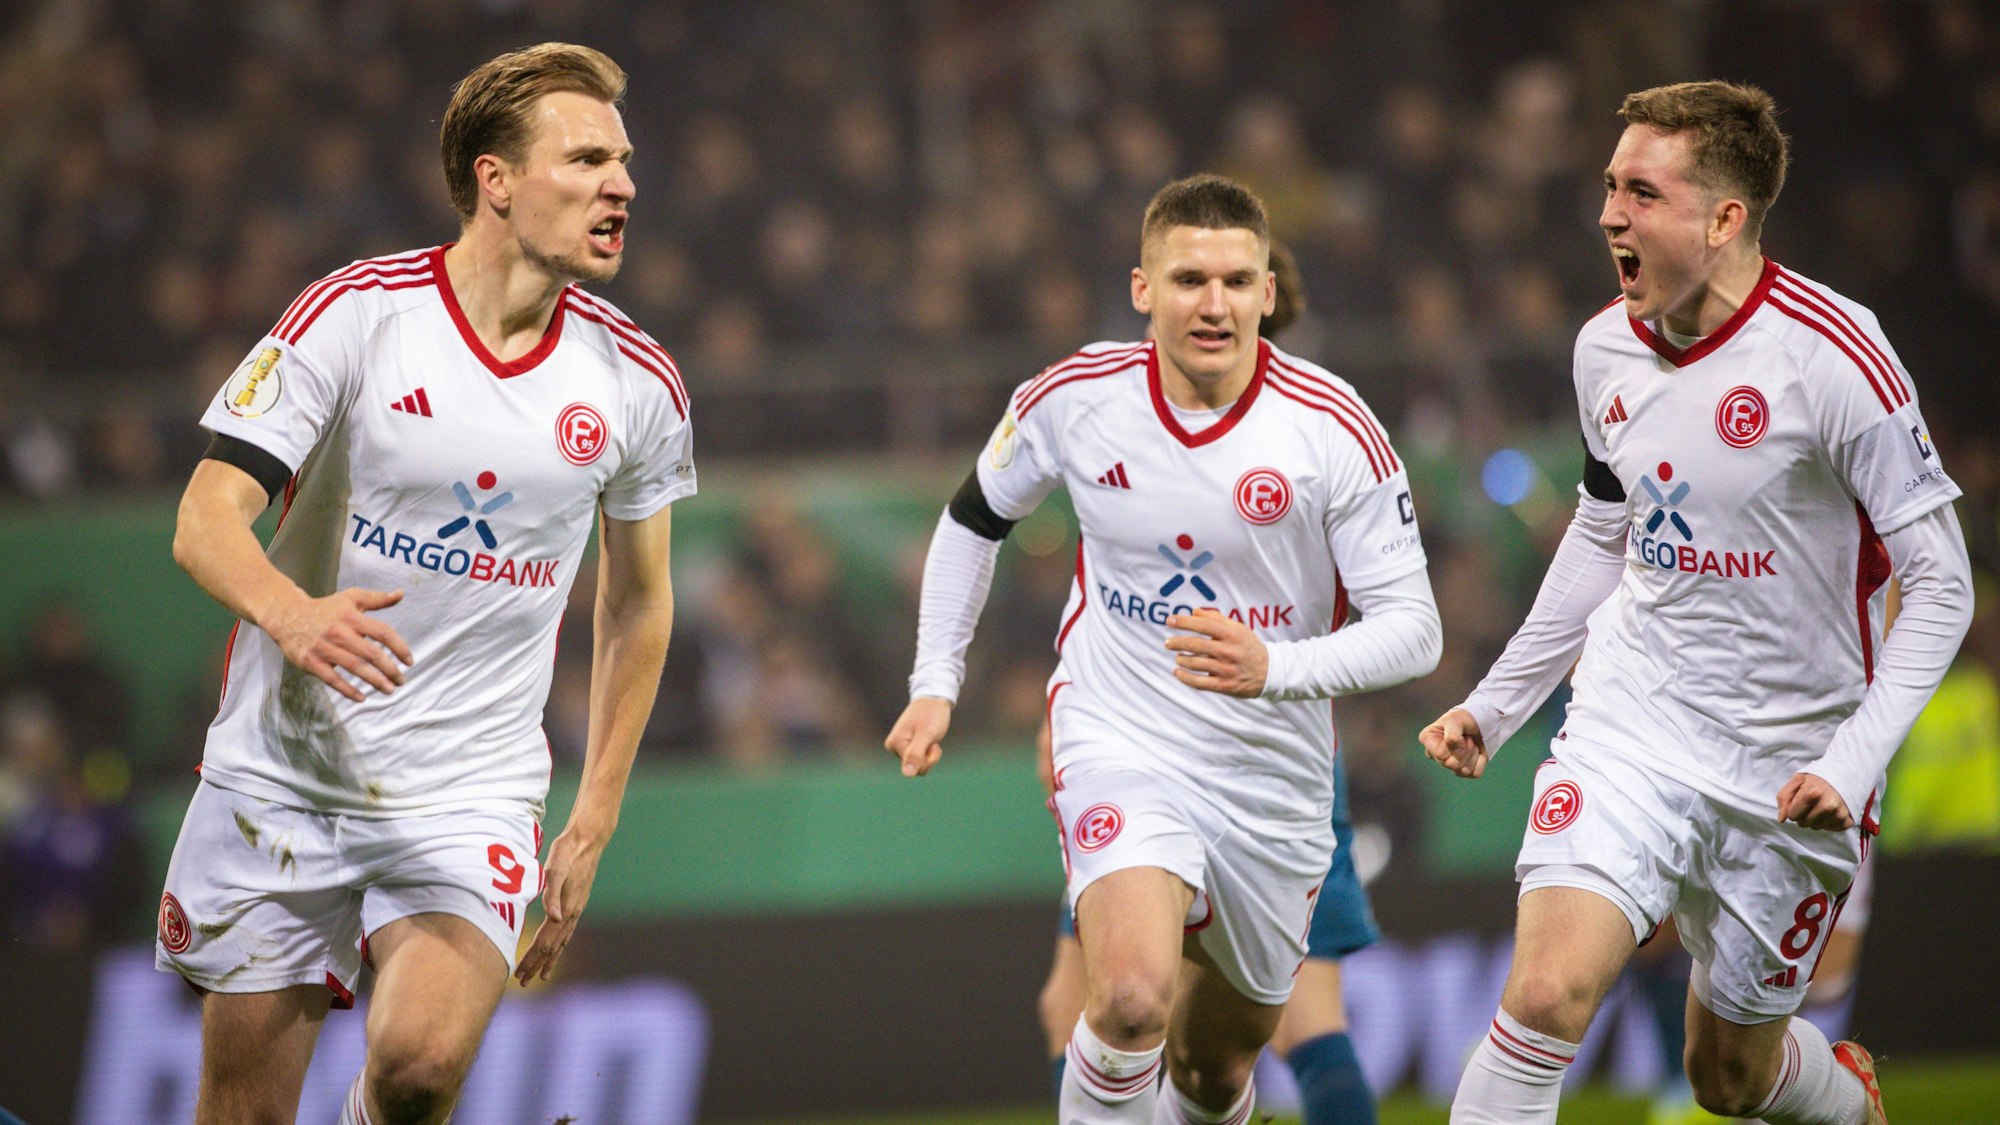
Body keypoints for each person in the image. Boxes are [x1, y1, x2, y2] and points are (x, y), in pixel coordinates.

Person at [155, 43, 694, 1125]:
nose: (623, 185)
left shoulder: (637, 381)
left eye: (624, 161)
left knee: (418, 1066)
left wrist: (592, 817)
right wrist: (293, 614)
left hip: (469, 785)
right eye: (587, 159)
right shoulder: (357, 316)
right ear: (496, 179)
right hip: (287, 769)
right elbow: (204, 517)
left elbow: (638, 600)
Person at [1420, 81, 1972, 1125]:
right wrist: (1495, 704)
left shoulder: (1833, 355)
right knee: (1542, 995)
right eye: (1608, 187)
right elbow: (1601, 532)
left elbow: (1942, 584)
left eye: (1641, 193)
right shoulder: (1603, 349)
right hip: (1632, 725)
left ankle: (1846, 1100)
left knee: (1728, 1079)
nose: (1608, 215)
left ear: (1722, 219)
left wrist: (1850, 762)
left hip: (1790, 763)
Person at [887, 174, 1440, 1124]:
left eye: (1236, 281)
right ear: (1143, 289)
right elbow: (974, 519)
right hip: (1122, 736)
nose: (1213, 304)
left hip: (1273, 779)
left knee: (1216, 1068)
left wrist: (1276, 669)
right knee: (1130, 997)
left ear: (1269, 291)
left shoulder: (1332, 424)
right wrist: (936, 679)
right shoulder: (1076, 397)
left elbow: (1415, 628)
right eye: (1189, 280)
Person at [1032, 241, 1385, 1125]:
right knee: (1294, 1024)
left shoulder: (1306, 440)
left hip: (1253, 763)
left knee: (1111, 1009)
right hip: (1196, 756)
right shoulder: (1291, 436)